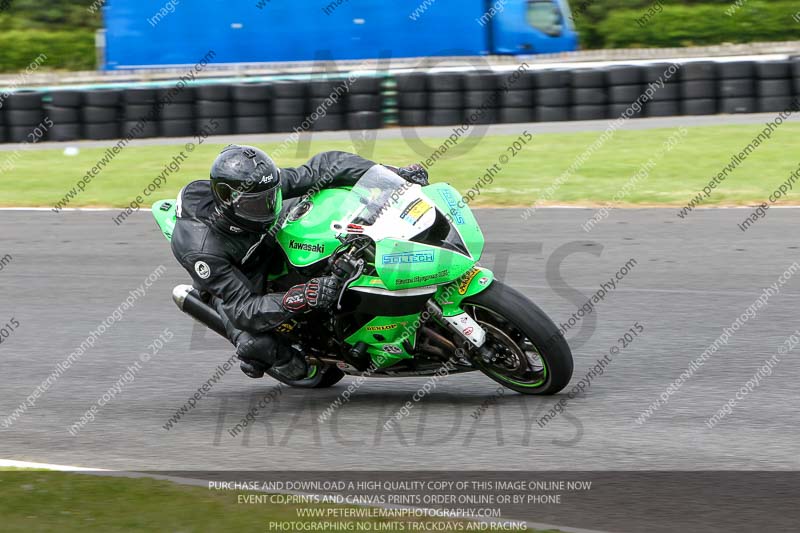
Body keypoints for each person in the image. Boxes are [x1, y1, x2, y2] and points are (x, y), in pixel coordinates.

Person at [170, 145, 429, 380]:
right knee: (255, 345)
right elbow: (243, 307)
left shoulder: (256, 189)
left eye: (271, 198)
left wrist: (391, 175)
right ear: (228, 201)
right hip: (236, 278)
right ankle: (298, 364)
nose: (267, 208)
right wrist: (302, 296)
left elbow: (327, 166)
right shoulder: (202, 248)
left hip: (266, 241)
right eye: (257, 204)